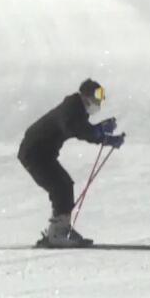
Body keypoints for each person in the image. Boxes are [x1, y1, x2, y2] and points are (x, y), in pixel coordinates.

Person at [17, 78, 125, 247]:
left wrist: (106, 139)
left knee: (64, 185)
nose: (99, 101)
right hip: (34, 153)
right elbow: (75, 129)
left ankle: (59, 230)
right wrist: (100, 130)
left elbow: (84, 131)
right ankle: (58, 232)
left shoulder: (77, 110)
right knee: (60, 185)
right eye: (97, 95)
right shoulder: (71, 108)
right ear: (86, 96)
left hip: (41, 153)